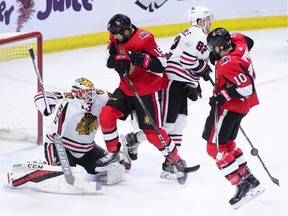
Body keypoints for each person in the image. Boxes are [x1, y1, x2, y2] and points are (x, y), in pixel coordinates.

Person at [95, 13, 189, 183]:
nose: (115, 37)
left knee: (153, 133)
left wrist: (144, 60)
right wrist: (119, 59)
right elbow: (108, 59)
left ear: (127, 29)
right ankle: (113, 154)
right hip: (125, 88)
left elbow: (161, 65)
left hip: (146, 91)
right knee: (106, 116)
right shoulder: (115, 35)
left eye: (118, 34)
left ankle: (176, 161)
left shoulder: (145, 39)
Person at [122, 6, 213, 178]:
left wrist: (193, 80)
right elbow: (187, 59)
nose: (209, 23)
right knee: (165, 126)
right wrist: (203, 69)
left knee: (180, 122)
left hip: (180, 80)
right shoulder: (200, 36)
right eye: (206, 20)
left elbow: (183, 57)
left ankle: (169, 165)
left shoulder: (191, 33)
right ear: (199, 21)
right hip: (173, 80)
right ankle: (133, 140)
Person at [202, 27, 265, 209]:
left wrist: (223, 95)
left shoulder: (227, 63)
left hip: (230, 107)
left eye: (213, 48)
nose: (212, 51)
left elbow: (247, 88)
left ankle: (241, 185)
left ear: (220, 47)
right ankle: (250, 179)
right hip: (243, 107)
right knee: (227, 144)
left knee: (214, 148)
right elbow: (249, 40)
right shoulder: (238, 42)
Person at [33, 78, 125, 186]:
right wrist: (46, 106)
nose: (90, 96)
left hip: (86, 149)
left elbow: (117, 99)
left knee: (109, 168)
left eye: (91, 92)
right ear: (77, 94)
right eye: (86, 93)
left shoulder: (100, 97)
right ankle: (42, 168)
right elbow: (39, 96)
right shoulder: (69, 102)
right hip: (60, 146)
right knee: (63, 175)